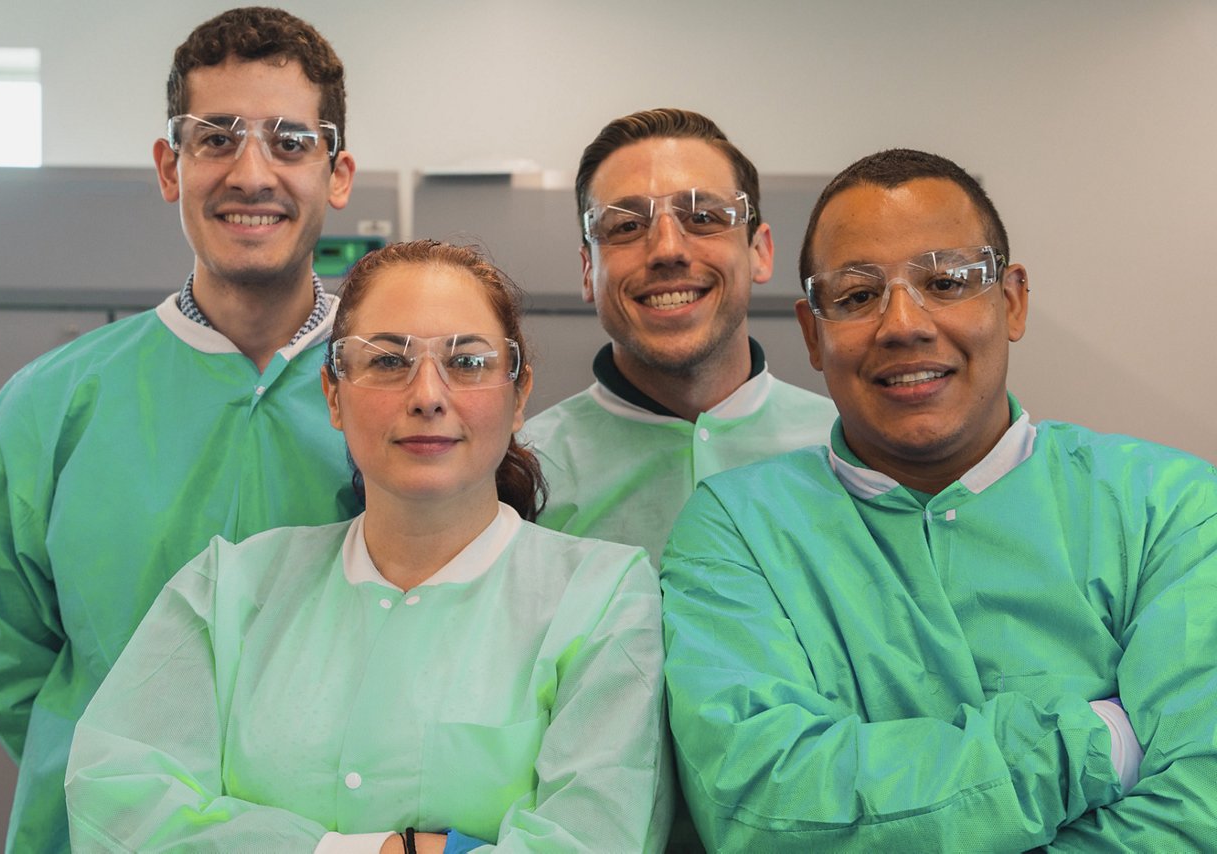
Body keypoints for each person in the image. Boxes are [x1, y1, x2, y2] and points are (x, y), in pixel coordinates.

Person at [660, 148, 1217, 850]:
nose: (903, 324)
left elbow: (1201, 807)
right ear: (812, 332)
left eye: (947, 281)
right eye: (858, 296)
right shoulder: (737, 531)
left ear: (1011, 301)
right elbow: (762, 812)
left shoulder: (1168, 508)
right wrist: (1096, 739)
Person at [64, 240, 673, 853]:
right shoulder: (230, 588)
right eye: (388, 361)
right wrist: (388, 850)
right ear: (333, 394)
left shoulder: (602, 599)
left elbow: (594, 841)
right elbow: (118, 806)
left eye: (466, 363)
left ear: (518, 398)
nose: (427, 395)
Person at [0, 9, 363, 850]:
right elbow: (11, 663)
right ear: (170, 167)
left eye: (290, 141)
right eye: (215, 138)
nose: (252, 173)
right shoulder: (51, 406)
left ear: (338, 173)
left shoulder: (399, 399)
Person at [521, 108, 836, 567]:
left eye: (704, 217)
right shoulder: (523, 476)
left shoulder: (849, 453)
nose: (668, 249)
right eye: (627, 225)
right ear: (589, 271)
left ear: (759, 252)